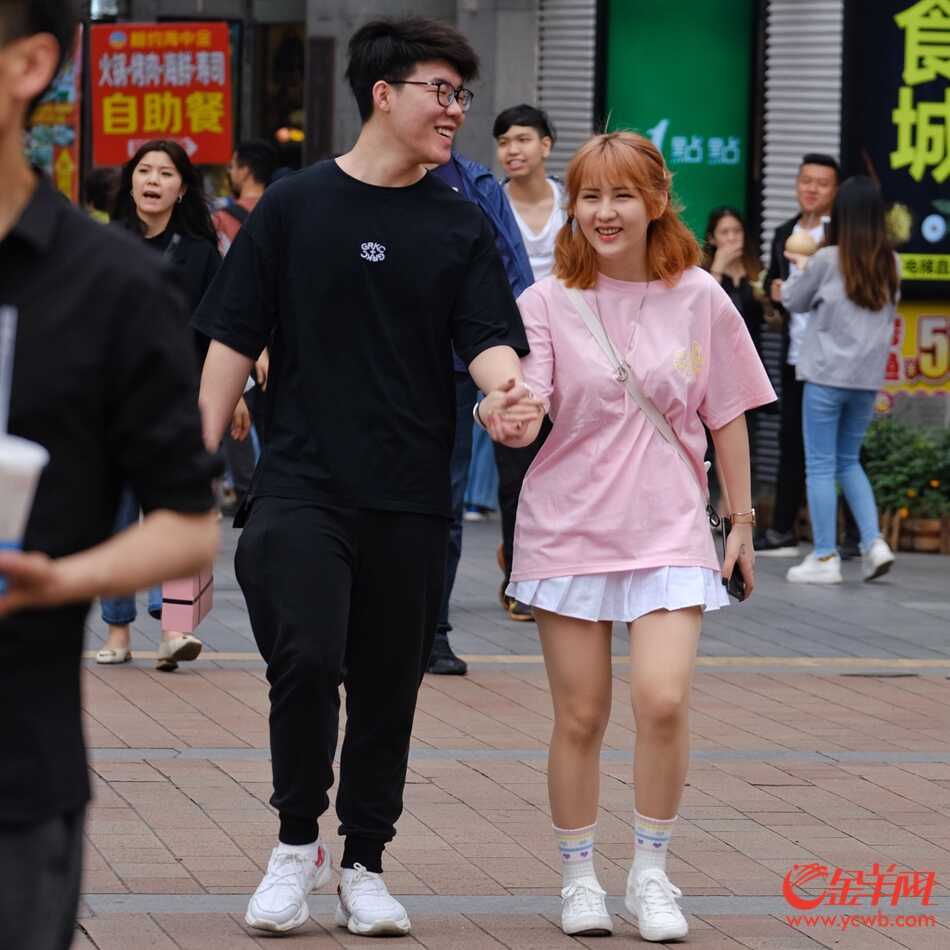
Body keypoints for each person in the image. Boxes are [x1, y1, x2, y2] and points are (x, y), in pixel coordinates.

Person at [193, 16, 540, 937]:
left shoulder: (459, 222)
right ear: (383, 94)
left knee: (390, 685)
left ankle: (365, 862)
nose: (456, 110)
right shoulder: (294, 206)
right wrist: (191, 465)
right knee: (306, 660)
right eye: (441, 91)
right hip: (302, 482)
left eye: (462, 95)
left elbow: (489, 339)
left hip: (411, 493)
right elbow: (233, 336)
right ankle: (295, 843)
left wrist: (507, 393)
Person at [501, 132, 776, 942]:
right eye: (589, 196)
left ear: (657, 201)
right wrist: (507, 412)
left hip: (668, 525)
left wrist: (741, 523)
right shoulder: (545, 301)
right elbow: (528, 404)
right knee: (581, 715)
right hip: (568, 526)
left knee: (662, 698)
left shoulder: (700, 295)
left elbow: (727, 412)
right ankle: (579, 877)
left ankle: (651, 873)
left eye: (621, 195)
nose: (604, 212)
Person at [0, 4, 220, 948]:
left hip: (16, 773)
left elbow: (188, 520)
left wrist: (62, 579)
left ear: (28, 65)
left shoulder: (111, 283)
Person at [96, 139, 224, 671]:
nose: (153, 180)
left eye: (166, 173)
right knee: (118, 519)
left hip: (179, 402)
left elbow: (220, 329)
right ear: (130, 182)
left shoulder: (201, 253)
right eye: (144, 170)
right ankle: (118, 629)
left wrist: (233, 393)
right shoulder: (105, 244)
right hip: (114, 404)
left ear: (182, 188)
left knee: (174, 511)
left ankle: (173, 627)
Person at [426, 147, 534, 674]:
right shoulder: (351, 180)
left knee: (445, 503)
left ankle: (434, 632)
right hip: (370, 364)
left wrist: (516, 366)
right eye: (442, 102)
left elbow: (511, 273)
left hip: (455, 368)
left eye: (458, 104)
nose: (449, 111)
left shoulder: (477, 185)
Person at [783, 176, 898, 584]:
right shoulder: (891, 263)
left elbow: (792, 300)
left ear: (842, 215)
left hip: (825, 376)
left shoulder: (827, 259)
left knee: (820, 465)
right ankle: (874, 543)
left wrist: (799, 268)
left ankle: (825, 556)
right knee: (849, 461)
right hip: (865, 382)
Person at [492, 103, 564, 619]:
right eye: (503, 142)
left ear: (546, 145)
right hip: (510, 350)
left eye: (521, 139)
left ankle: (560, 568)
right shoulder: (489, 203)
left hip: (572, 348)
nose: (511, 150)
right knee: (516, 464)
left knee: (567, 463)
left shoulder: (574, 203)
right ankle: (520, 575)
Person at [758, 153, 841, 554]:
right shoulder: (783, 232)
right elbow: (774, 286)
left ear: (835, 191)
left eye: (822, 183)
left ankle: (849, 537)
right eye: (806, 180)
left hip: (832, 355)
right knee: (790, 438)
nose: (812, 189)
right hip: (795, 352)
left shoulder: (839, 236)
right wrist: (774, 294)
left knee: (837, 447)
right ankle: (782, 529)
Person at [213, 138, 278, 255]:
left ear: (244, 171)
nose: (230, 172)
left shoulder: (222, 219)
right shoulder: (280, 213)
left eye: (232, 166)